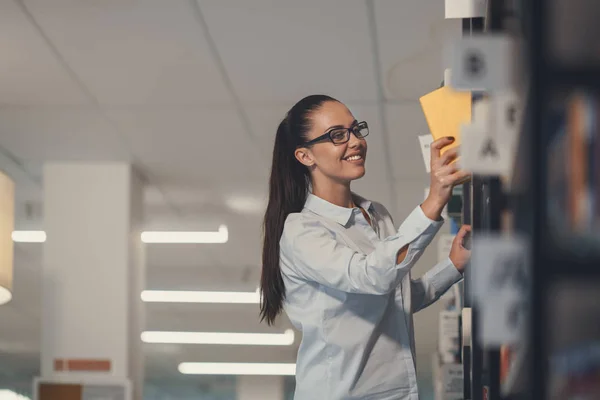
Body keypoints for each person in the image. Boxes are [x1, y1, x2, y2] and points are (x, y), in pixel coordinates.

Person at [260, 94, 472, 400]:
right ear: (306, 156)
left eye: (356, 129)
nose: (356, 141)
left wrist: (453, 266)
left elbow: (396, 300)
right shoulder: (301, 231)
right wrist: (434, 201)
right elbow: (371, 277)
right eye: (337, 135)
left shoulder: (376, 214)